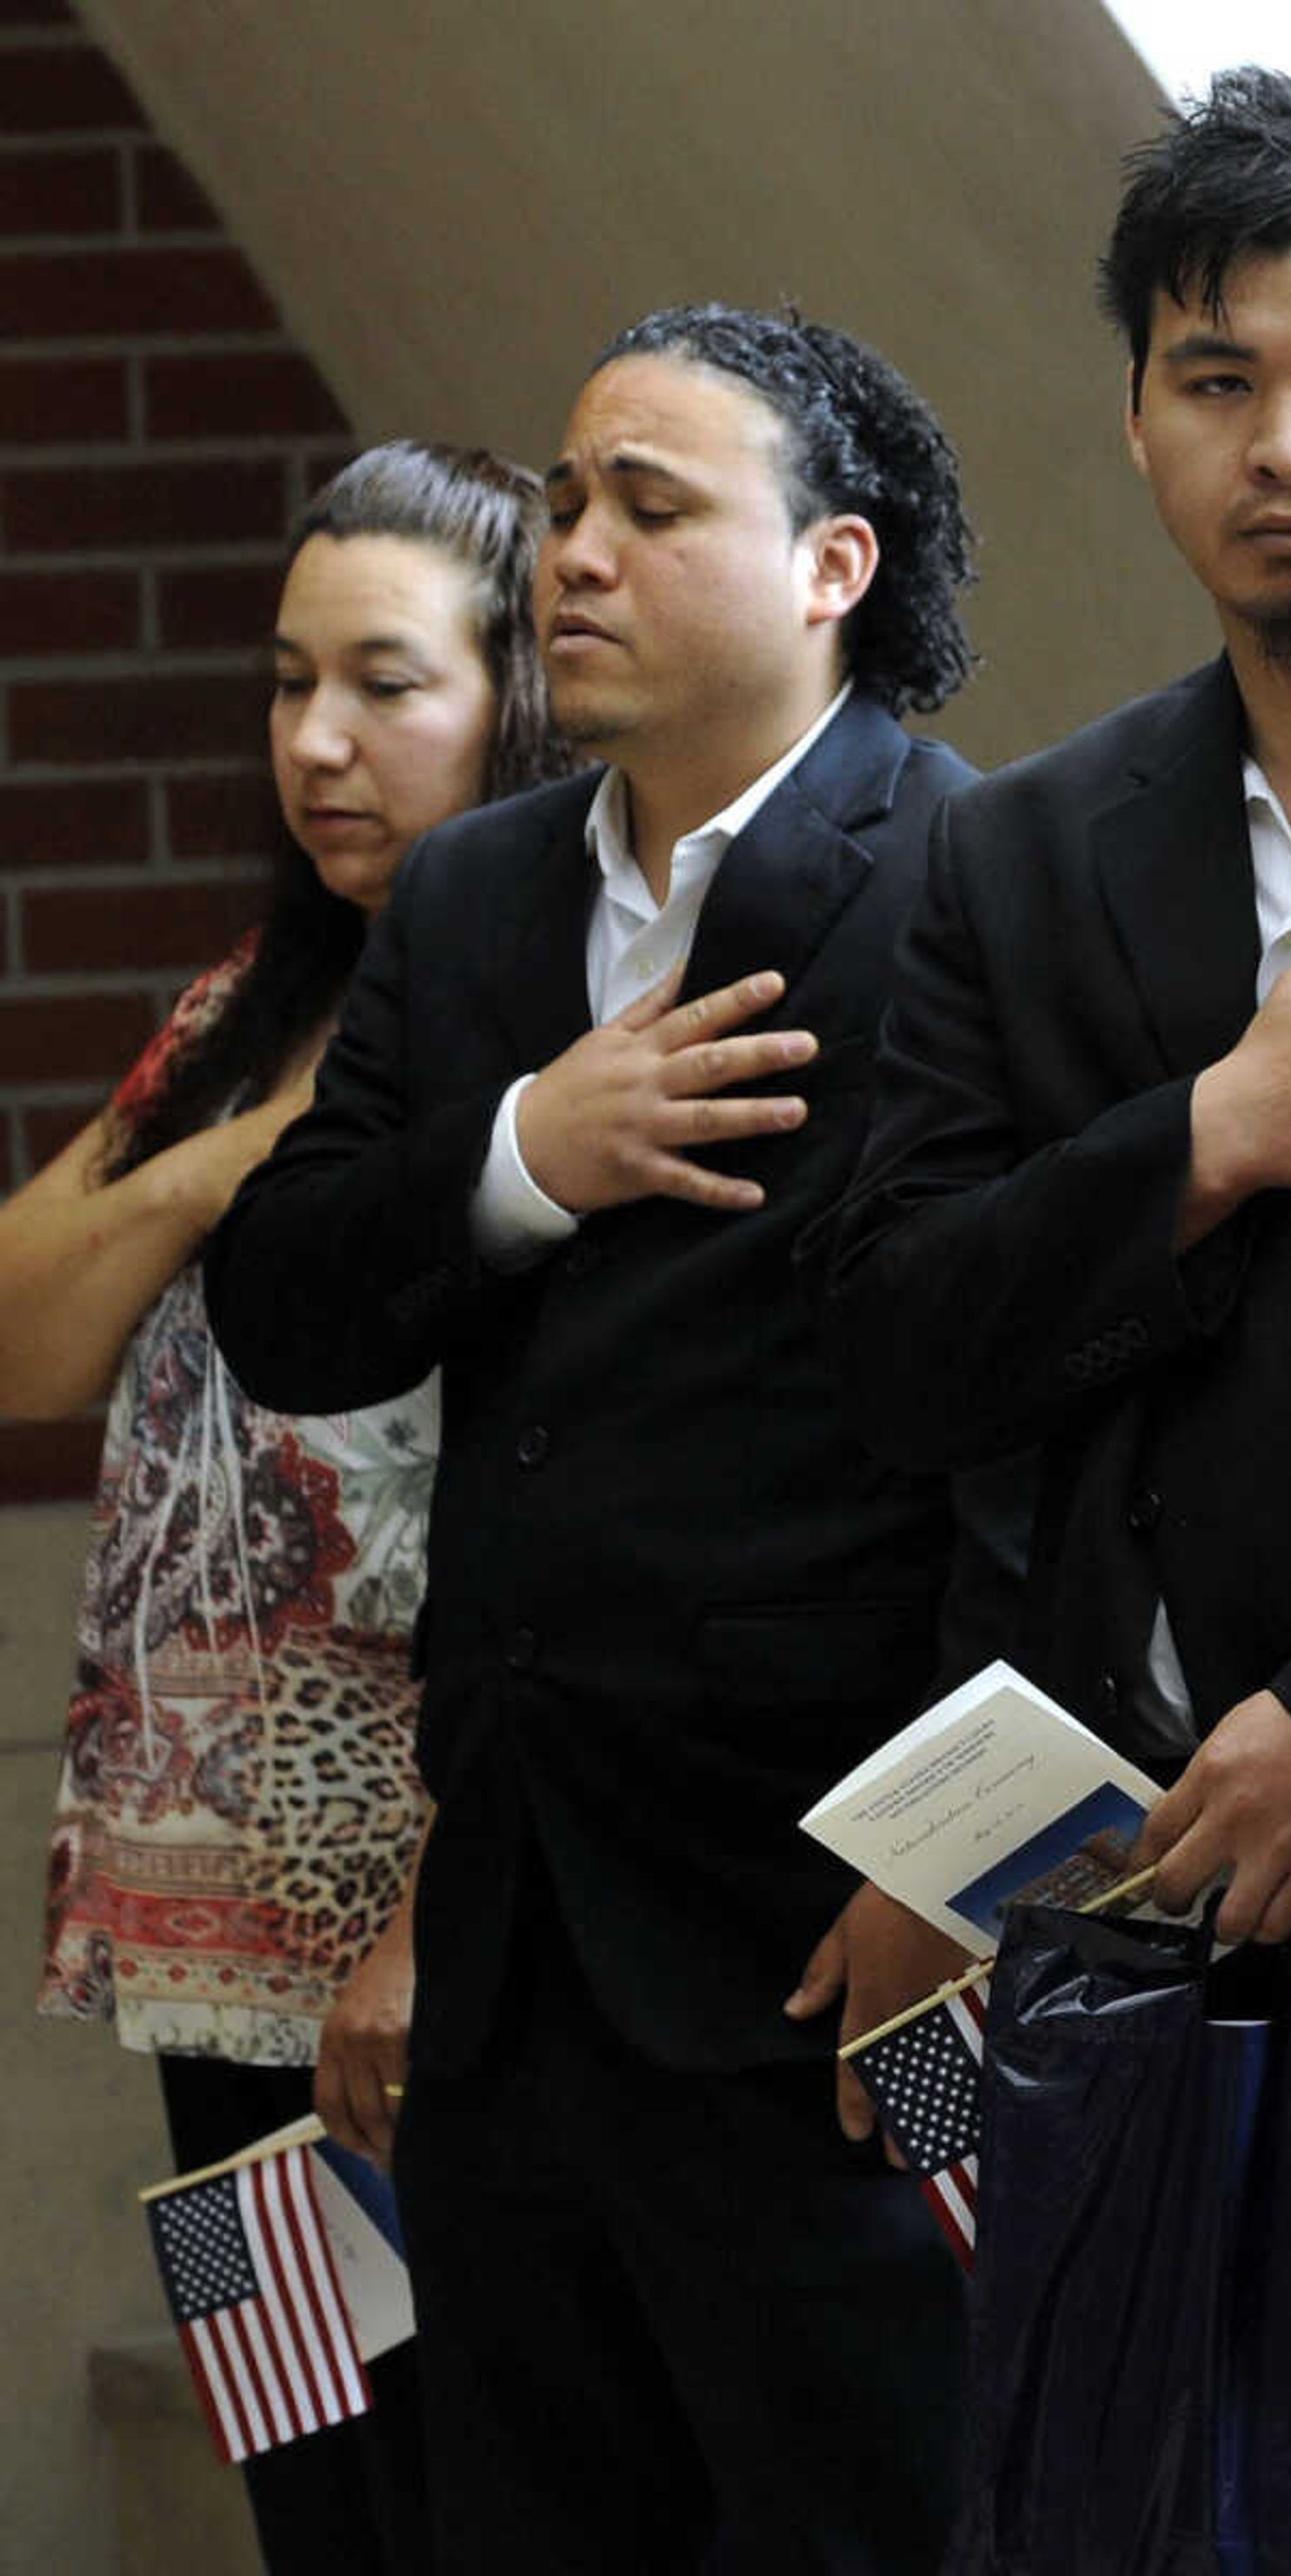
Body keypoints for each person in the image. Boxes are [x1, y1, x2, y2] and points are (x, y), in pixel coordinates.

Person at [203, 304, 985, 2573]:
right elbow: (289, 1294)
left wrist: (948, 1876)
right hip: (513, 1945)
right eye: (563, 501)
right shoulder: (474, 893)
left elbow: (1039, 1431)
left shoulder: (974, 873)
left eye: (653, 505)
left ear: (832, 563)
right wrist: (531, 1141)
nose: (576, 551)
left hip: (833, 1931)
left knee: (880, 2519)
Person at [814, 66, 1291, 2367]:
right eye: (1219, 382)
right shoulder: (1013, 847)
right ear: (1140, 425)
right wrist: (1218, 1128)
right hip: (1095, 1892)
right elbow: (901, 1342)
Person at [21, 438, 562, 2576]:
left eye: (387, 684)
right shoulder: (242, 1017)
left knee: (459, 2510)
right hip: (189, 1948)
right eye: (285, 682)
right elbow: (18, 1342)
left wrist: (426, 1927)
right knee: (311, 2521)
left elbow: (563, 1522)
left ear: (517, 693)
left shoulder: (540, 1045)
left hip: (415, 1963)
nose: (318, 743)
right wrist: (231, 1165)